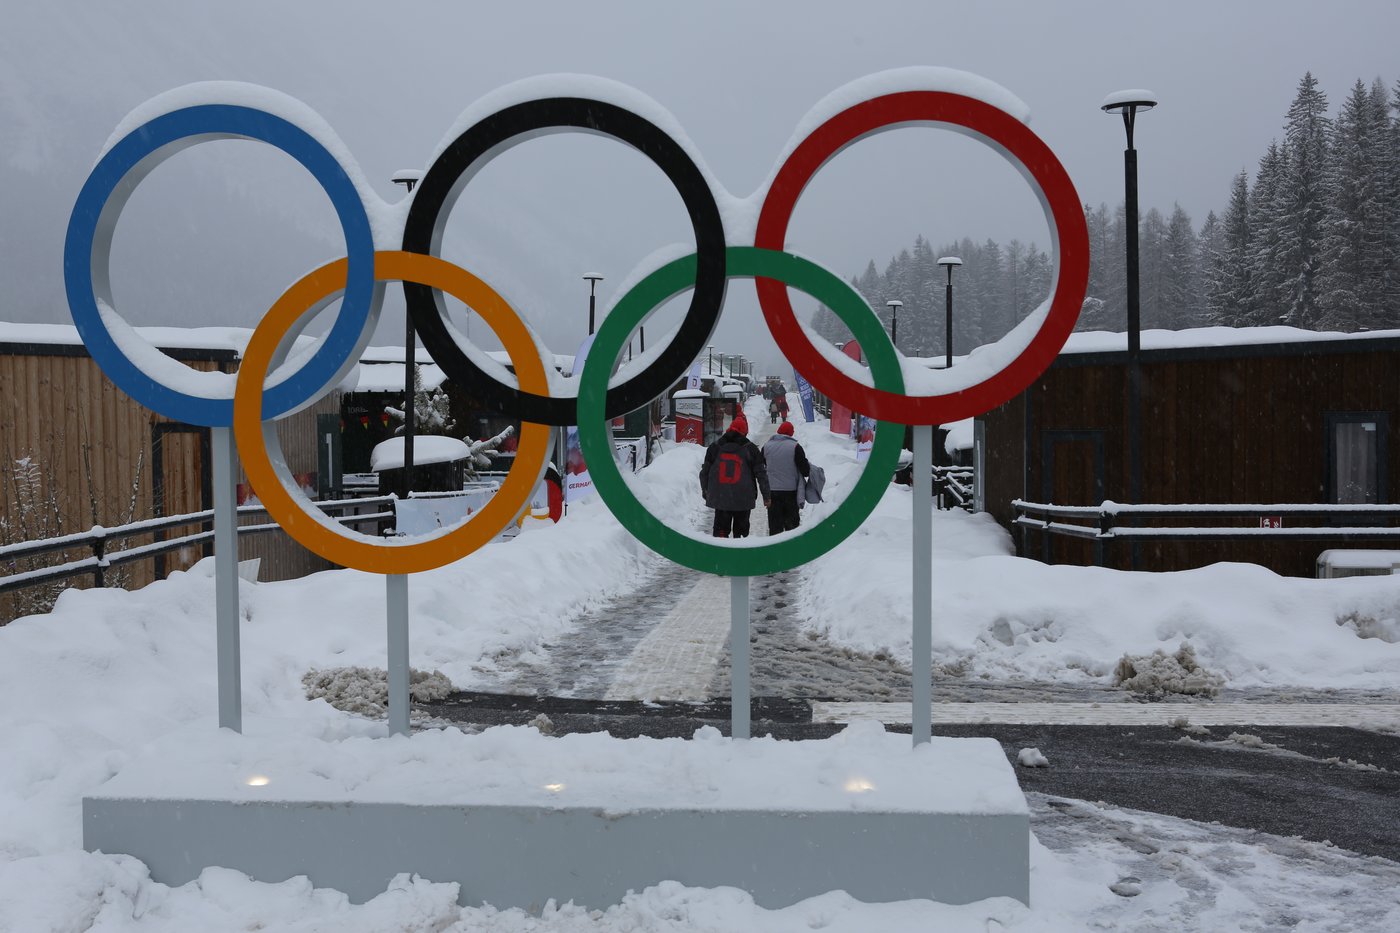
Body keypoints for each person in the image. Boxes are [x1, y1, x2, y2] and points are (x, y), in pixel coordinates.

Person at [699, 413, 770, 538]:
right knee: (740, 535)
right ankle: (739, 553)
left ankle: (721, 555)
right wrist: (766, 496)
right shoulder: (751, 449)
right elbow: (761, 474)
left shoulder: (715, 447)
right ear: (744, 432)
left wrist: (706, 491)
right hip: (743, 498)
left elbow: (704, 472)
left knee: (721, 534)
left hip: (721, 498)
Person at [761, 421, 810, 535]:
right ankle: (790, 550)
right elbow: (805, 470)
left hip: (772, 492)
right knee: (791, 526)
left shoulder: (766, 446)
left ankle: (774, 549)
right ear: (791, 433)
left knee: (775, 526)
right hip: (790, 493)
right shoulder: (795, 447)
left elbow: (762, 464)